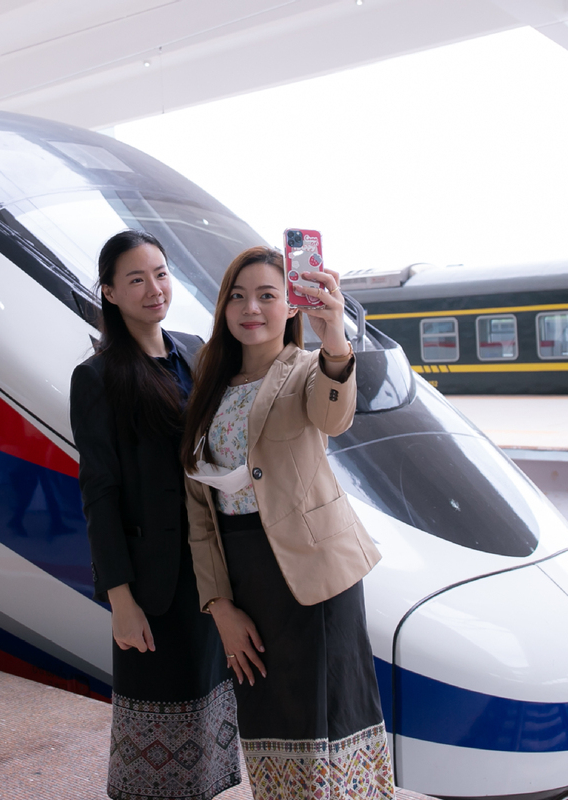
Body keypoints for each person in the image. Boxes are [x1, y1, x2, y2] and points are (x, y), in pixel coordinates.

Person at [180, 246, 394, 799]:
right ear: (224, 308)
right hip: (247, 579)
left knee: (327, 721)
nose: (251, 307)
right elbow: (199, 514)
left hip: (314, 578)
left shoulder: (306, 370)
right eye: (238, 296)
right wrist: (219, 605)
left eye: (268, 296)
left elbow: (333, 415)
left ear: (291, 307)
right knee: (268, 719)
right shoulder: (209, 385)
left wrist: (336, 341)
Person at [70, 230, 242, 800]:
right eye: (136, 279)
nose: (154, 289)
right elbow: (100, 490)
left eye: (161, 274)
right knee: (155, 730)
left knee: (208, 718)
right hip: (153, 585)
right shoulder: (97, 377)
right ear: (111, 293)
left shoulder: (196, 350)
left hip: (212, 572)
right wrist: (120, 599)